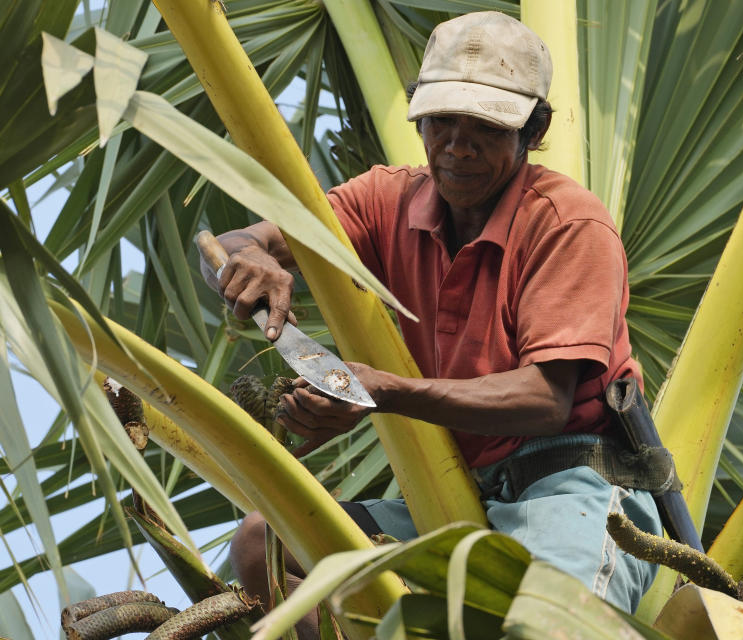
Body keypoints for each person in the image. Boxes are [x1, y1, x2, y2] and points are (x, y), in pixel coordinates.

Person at [206, 11, 661, 635]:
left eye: (485, 127)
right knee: (263, 544)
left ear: (535, 129)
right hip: (466, 499)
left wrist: (382, 391)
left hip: (573, 490)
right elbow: (231, 242)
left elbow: (545, 399)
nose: (457, 145)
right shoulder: (384, 201)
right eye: (442, 121)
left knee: (551, 629)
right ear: (419, 116)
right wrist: (247, 260)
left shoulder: (568, 224)